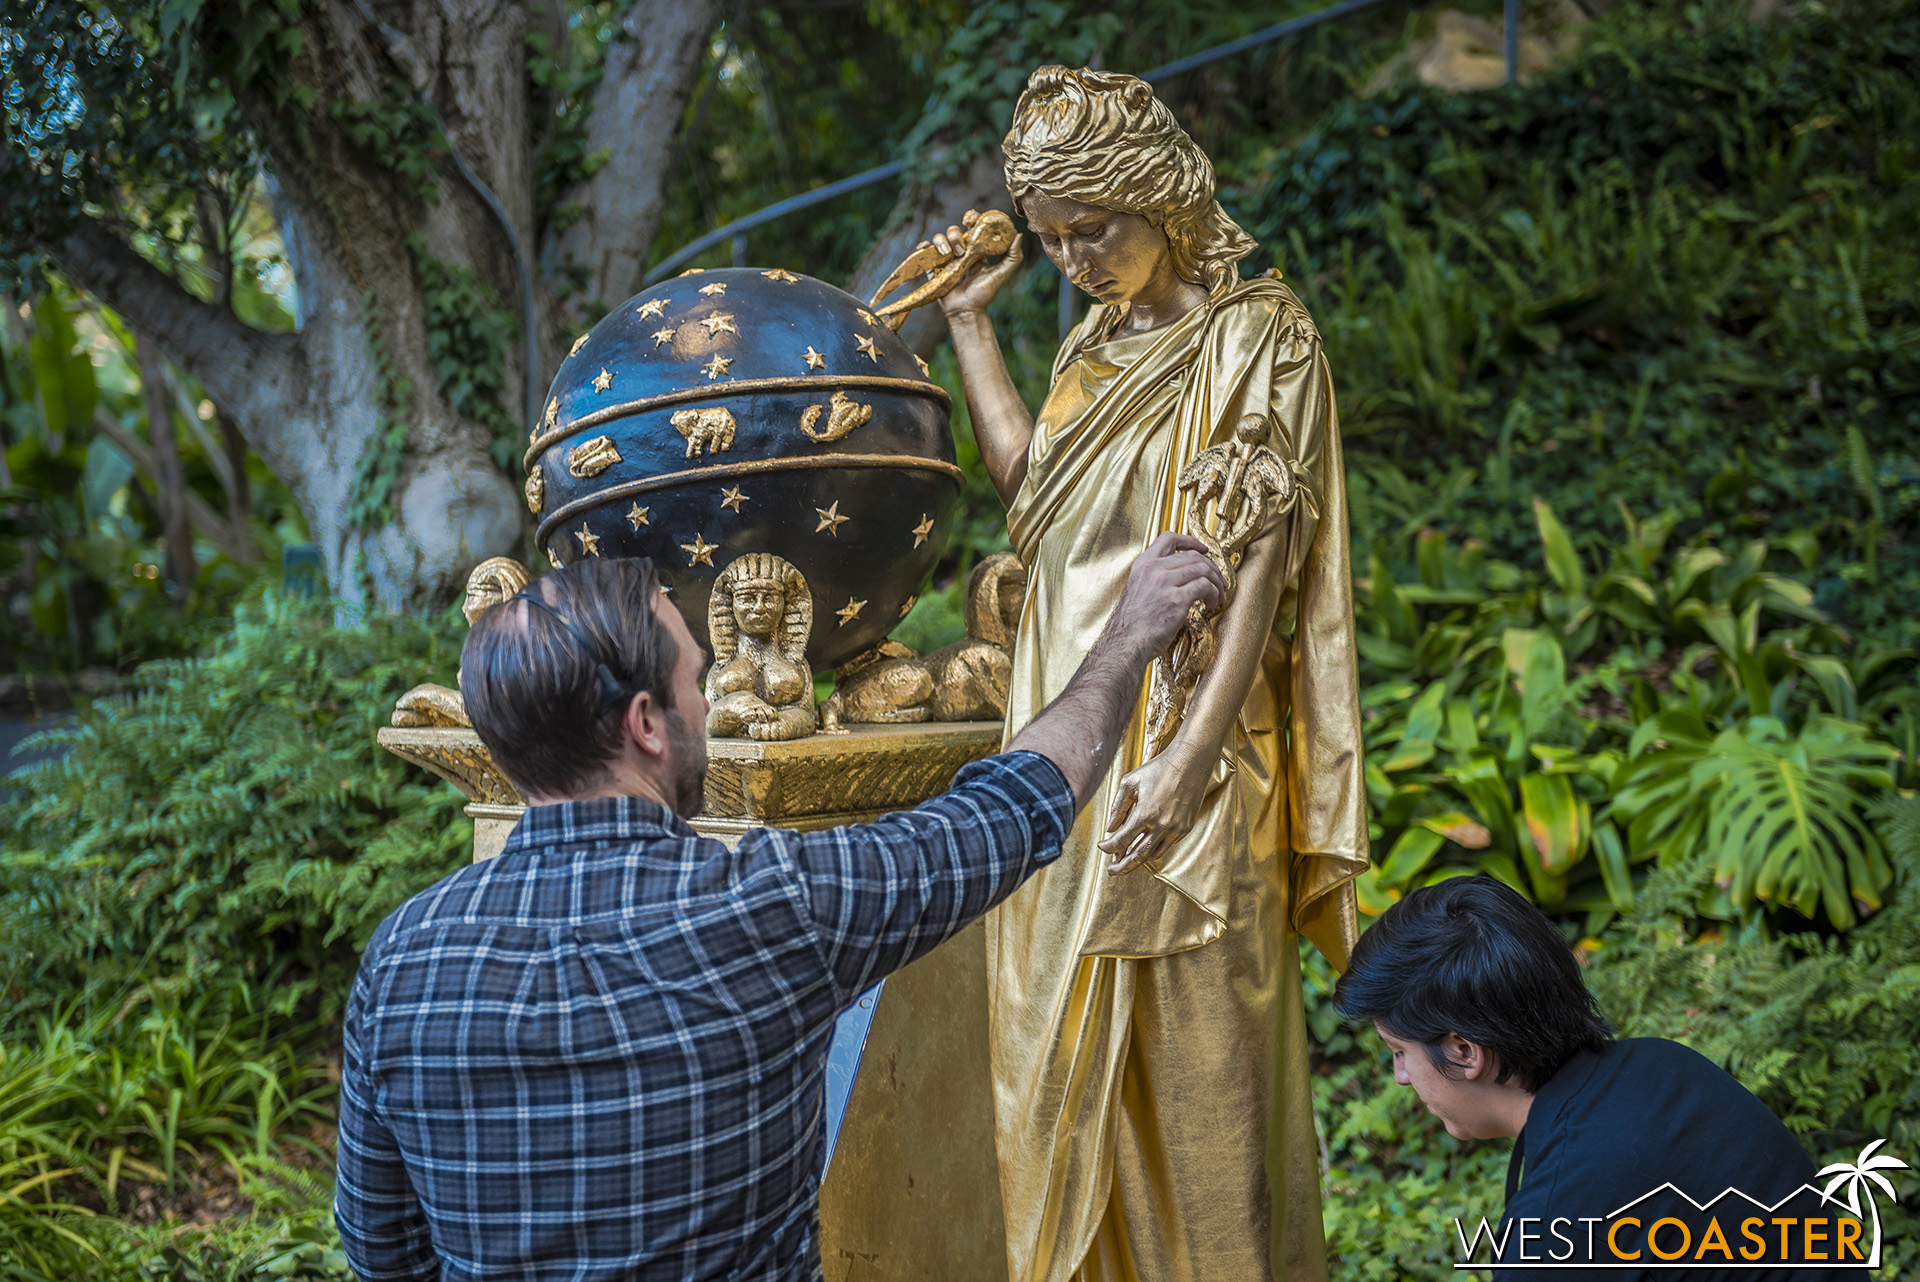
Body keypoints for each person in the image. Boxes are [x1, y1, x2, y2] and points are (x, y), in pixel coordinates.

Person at [332, 535, 1226, 1282]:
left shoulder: (400, 960)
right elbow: (1009, 811)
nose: (708, 704)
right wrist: (1129, 638)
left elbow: (384, 1257)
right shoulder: (773, 909)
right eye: (694, 679)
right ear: (646, 724)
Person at [933, 65, 1368, 1281]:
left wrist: (1183, 761)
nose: (1075, 258)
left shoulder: (1255, 334)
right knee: (1057, 1070)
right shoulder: (1087, 342)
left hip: (1192, 751)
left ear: (1165, 198)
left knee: (1199, 1068)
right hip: (1059, 747)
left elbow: (1261, 560)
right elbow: (1038, 510)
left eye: (1098, 229)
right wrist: (972, 324)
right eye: (1056, 236)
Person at [1332, 876, 1872, 1281]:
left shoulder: (1553, 1232)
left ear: (1464, 1051)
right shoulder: (1664, 1066)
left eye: (1399, 1052)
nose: (1401, 1077)